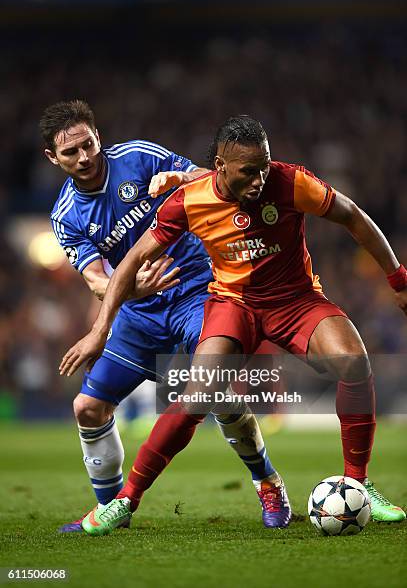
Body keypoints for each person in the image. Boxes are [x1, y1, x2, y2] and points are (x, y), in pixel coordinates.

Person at [60, 115, 407, 535]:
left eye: (264, 165)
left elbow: (352, 215)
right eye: (248, 171)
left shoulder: (290, 181)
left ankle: (359, 482)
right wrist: (100, 330)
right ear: (221, 166)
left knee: (354, 361)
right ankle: (125, 500)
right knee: (198, 394)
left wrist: (397, 278)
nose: (260, 179)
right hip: (233, 303)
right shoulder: (190, 201)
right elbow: (130, 261)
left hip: (294, 300)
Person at [43, 102, 290, 532]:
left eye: (88, 144)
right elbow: (97, 282)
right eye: (70, 153)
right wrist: (132, 289)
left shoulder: (138, 157)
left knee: (214, 389)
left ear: (98, 135)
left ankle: (267, 481)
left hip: (197, 290)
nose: (83, 157)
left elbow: (213, 182)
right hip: (138, 314)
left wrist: (178, 177)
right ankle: (111, 510)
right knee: (87, 407)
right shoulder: (66, 216)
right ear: (53, 158)